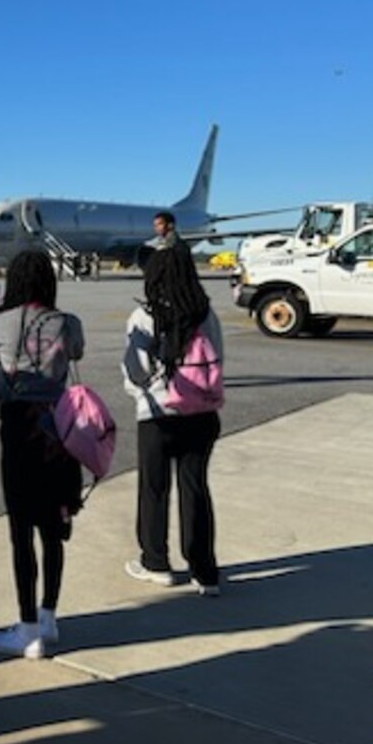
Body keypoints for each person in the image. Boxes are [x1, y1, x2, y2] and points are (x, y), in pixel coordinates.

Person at [0, 250, 85, 659]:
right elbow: (76, 354)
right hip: (58, 434)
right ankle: (49, 616)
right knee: (54, 528)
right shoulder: (67, 322)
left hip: (18, 435)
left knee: (20, 530)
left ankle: (27, 628)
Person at [121, 246, 225, 596]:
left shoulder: (145, 315)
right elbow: (218, 356)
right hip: (202, 413)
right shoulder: (206, 313)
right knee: (195, 487)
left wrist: (142, 391)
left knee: (154, 488)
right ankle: (204, 570)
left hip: (159, 415)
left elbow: (136, 371)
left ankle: (156, 562)